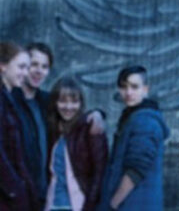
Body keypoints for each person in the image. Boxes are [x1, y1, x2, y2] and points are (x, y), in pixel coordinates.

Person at [11, 42, 106, 207]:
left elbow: (73, 112)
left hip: (44, 194)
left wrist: (98, 114)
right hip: (16, 193)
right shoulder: (8, 102)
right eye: (34, 64)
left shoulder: (47, 102)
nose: (39, 71)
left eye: (44, 66)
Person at [98, 66, 169, 211]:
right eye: (124, 87)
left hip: (134, 204)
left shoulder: (145, 122)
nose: (128, 92)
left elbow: (136, 170)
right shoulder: (133, 116)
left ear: (145, 89)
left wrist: (113, 204)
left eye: (134, 87)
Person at [45, 76, 108, 211]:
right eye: (63, 101)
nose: (68, 107)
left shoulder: (91, 128)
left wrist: (89, 206)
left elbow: (100, 174)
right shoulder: (53, 130)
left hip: (78, 205)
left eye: (74, 102)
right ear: (55, 102)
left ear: (81, 103)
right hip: (53, 204)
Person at [0, 41, 38, 211]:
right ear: (3, 66)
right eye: (21, 67)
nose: (25, 73)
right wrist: (15, 190)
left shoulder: (11, 97)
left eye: (27, 68)